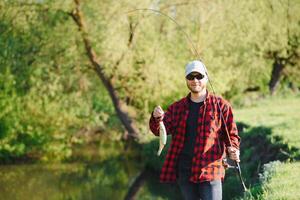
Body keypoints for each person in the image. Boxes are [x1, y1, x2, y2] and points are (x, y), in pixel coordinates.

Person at [149, 60, 240, 200]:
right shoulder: (177, 108)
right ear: (186, 80)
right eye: (190, 77)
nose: (195, 80)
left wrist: (233, 149)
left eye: (199, 76)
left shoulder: (221, 106)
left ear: (206, 78)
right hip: (185, 171)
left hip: (211, 169)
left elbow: (231, 135)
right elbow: (159, 131)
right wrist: (157, 118)